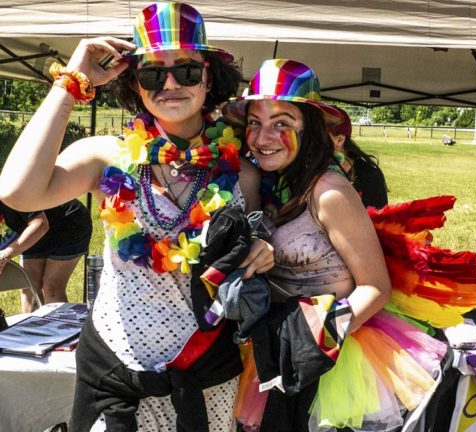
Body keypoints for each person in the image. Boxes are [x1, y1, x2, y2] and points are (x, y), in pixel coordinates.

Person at [0, 2, 273, 431]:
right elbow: (17, 192)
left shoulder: (244, 171)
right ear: (135, 83)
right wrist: (73, 81)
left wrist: (262, 250)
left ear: (208, 77)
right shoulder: (105, 155)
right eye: (151, 73)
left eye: (185, 70)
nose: (169, 84)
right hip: (115, 372)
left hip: (206, 374)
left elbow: (265, 253)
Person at [222, 59, 447, 432]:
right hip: (275, 346)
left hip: (330, 354)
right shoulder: (271, 181)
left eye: (282, 124)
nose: (263, 138)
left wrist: (316, 338)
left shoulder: (329, 192)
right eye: (255, 124)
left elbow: (376, 287)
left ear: (309, 129)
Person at [0, 199, 92, 312]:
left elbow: (41, 224)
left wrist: (7, 253)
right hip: (27, 228)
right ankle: (31, 327)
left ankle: (59, 328)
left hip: (67, 223)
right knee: (30, 288)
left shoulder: (8, 193)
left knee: (52, 287)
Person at [327, 107, 389, 208]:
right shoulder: (309, 169)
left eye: (317, 135)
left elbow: (378, 220)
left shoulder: (369, 175)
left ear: (339, 140)